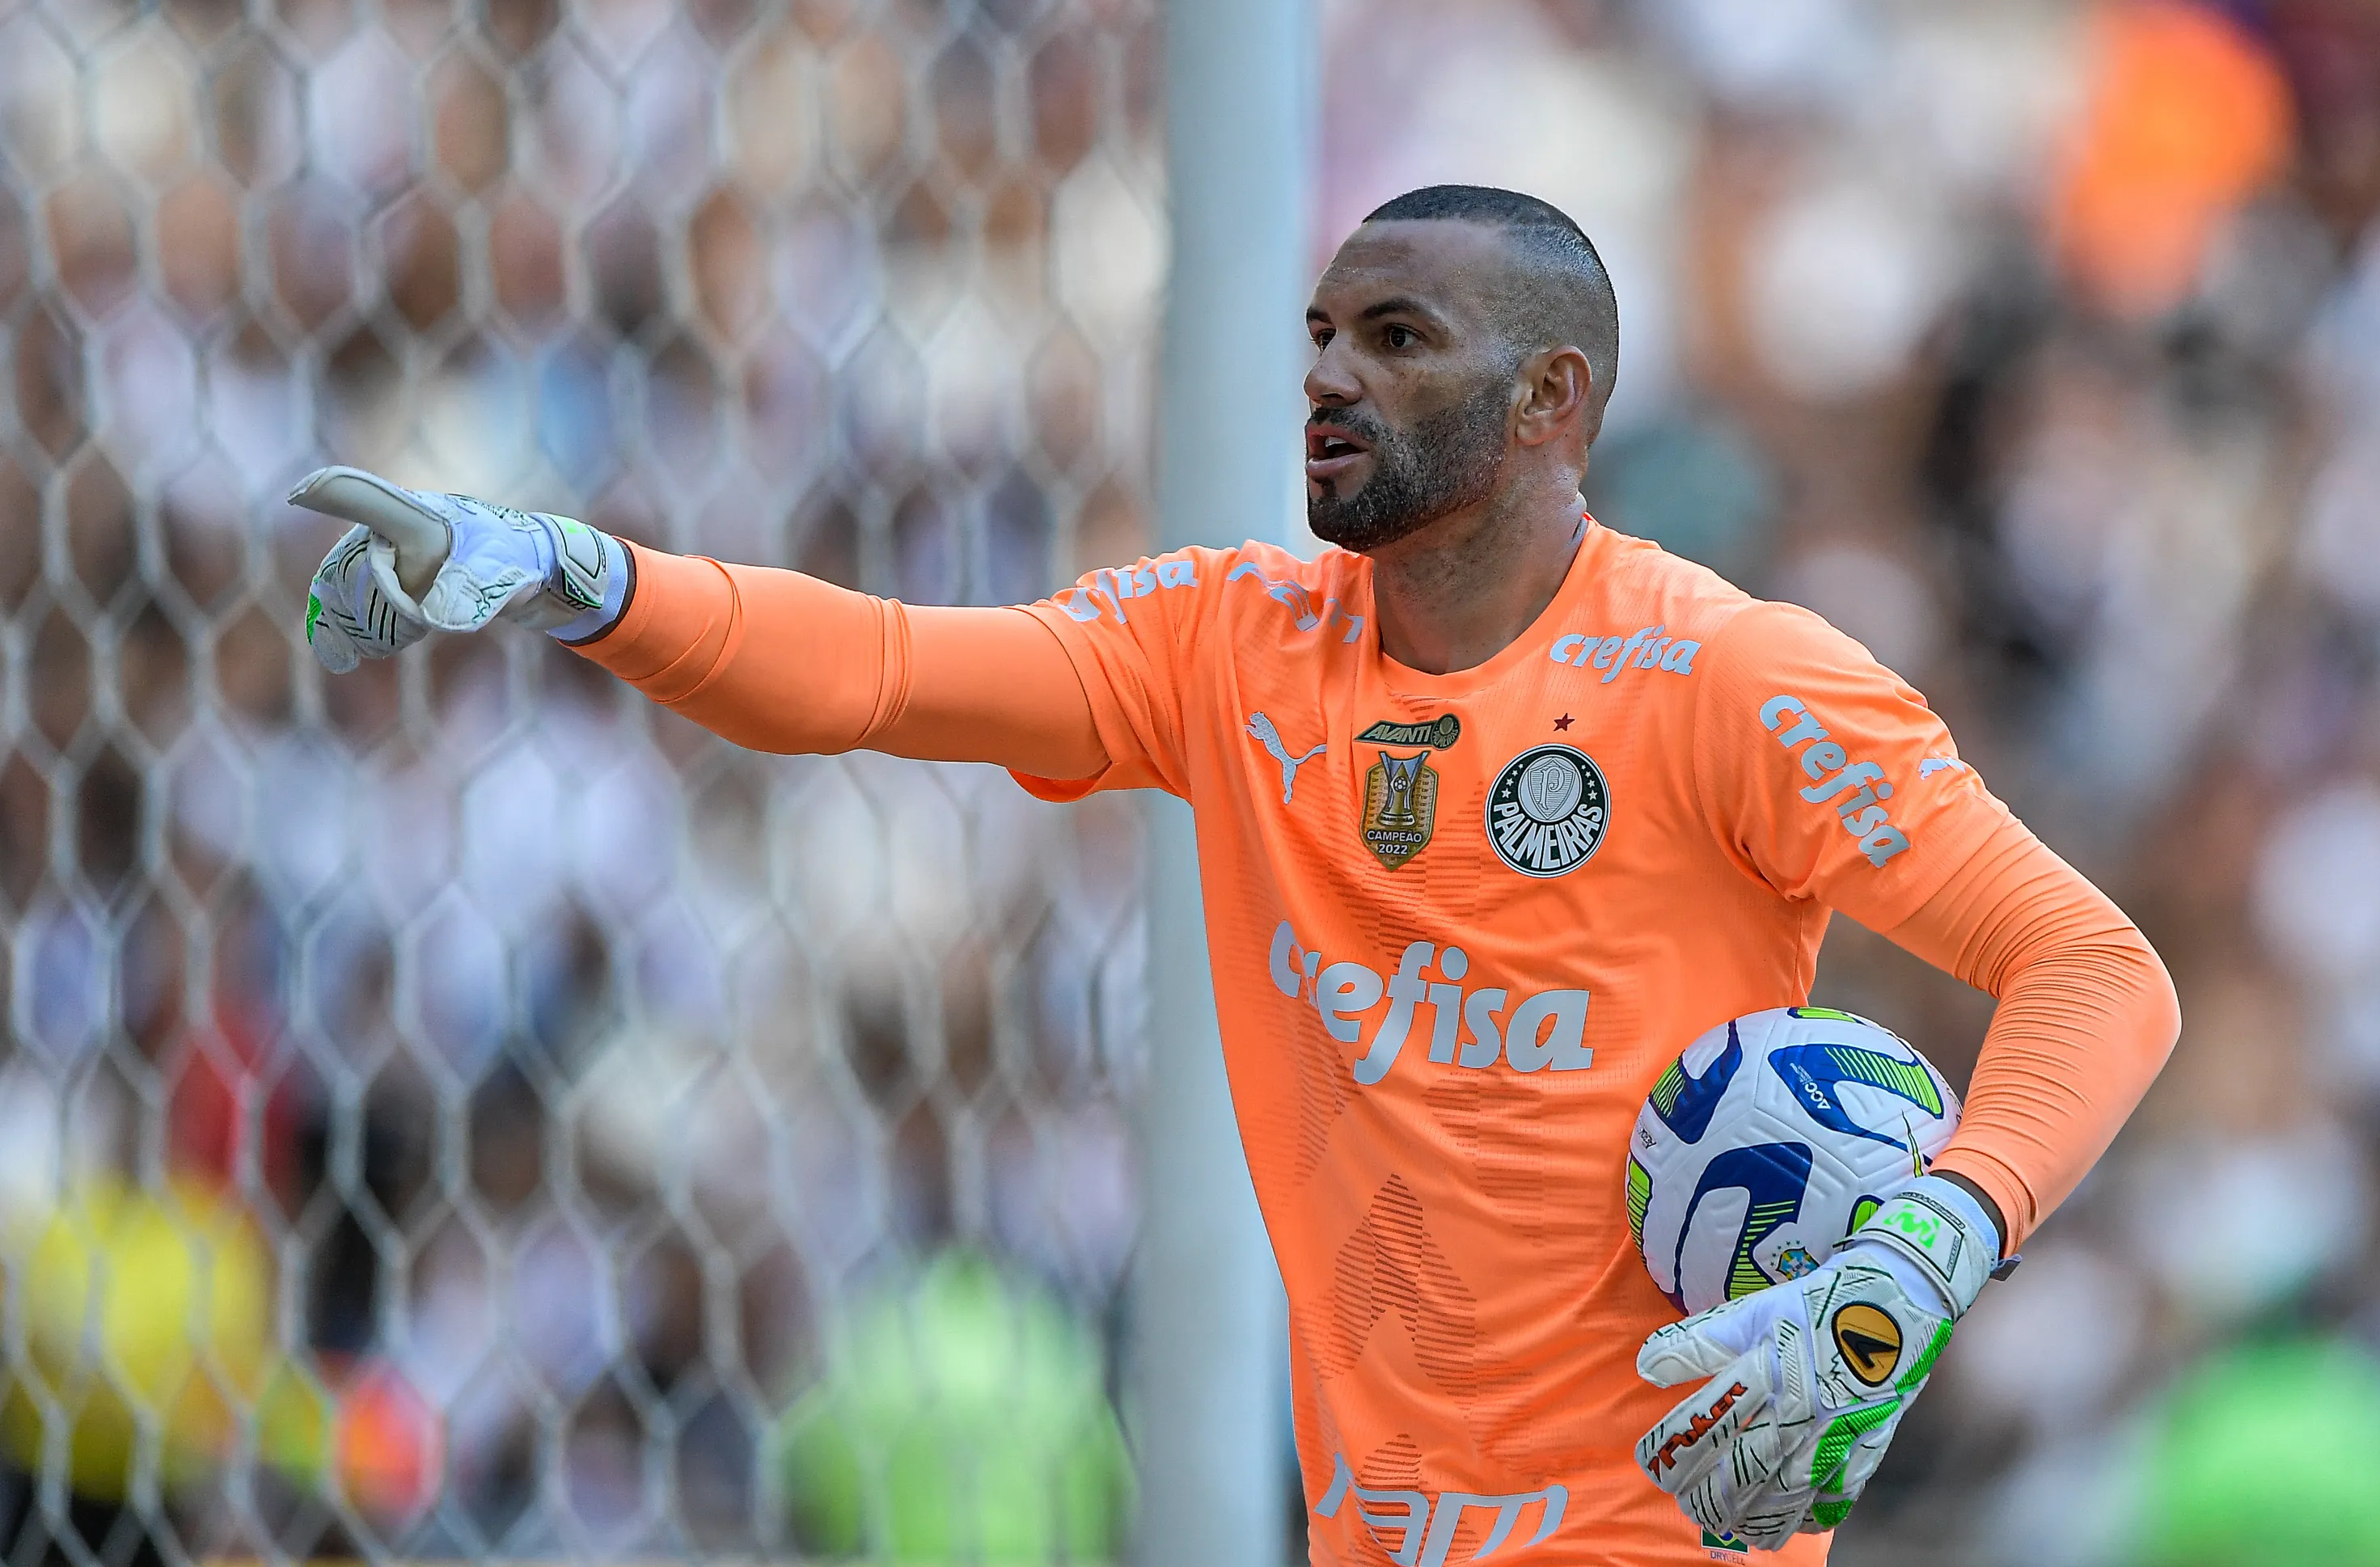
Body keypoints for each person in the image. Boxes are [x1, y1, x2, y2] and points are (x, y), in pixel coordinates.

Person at [294, 185, 2179, 1565]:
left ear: (1552, 406)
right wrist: (587, 579)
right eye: (1321, 336)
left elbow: (2099, 973)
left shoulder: (1736, 677)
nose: (1329, 377)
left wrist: (1921, 1257)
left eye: (1398, 338)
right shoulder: (1235, 645)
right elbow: (879, 669)